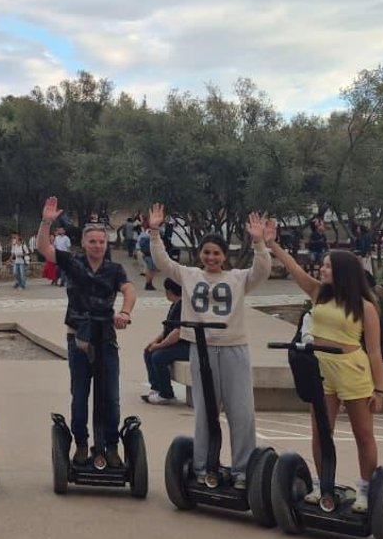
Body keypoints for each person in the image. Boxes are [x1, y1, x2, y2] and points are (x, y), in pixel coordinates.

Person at [147, 204, 270, 488]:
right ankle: (203, 466)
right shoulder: (190, 275)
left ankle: (242, 470)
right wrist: (155, 231)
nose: (211, 257)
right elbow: (163, 262)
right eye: (207, 252)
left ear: (225, 256)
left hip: (233, 348)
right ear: (200, 254)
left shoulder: (238, 278)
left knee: (241, 410)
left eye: (216, 253)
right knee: (205, 410)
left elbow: (262, 271)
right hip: (200, 349)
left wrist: (259, 242)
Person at [265, 230, 383, 513]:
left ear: (344, 271)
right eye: (324, 264)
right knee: (321, 431)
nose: (323, 268)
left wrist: (380, 390)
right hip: (320, 369)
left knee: (363, 434)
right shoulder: (319, 293)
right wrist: (272, 244)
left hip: (352, 371)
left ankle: (366, 489)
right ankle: (322, 484)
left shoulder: (365, 306)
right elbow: (294, 269)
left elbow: (375, 351)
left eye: (329, 265)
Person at [36, 198, 135, 467]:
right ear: (84, 243)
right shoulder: (72, 262)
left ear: (107, 244)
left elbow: (128, 290)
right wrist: (47, 221)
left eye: (101, 242)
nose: (97, 245)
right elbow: (44, 248)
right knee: (80, 395)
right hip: (78, 337)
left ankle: (110, 446)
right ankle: (81, 444)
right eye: (92, 241)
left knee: (110, 397)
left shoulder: (115, 270)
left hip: (106, 337)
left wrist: (125, 313)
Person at [141, 278, 189, 406]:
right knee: (148, 351)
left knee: (158, 356)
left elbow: (177, 333)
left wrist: (159, 346)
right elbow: (167, 330)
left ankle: (166, 394)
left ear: (169, 291)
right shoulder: (175, 304)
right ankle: (156, 387)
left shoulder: (184, 306)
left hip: (186, 346)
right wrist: (154, 342)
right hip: (175, 343)